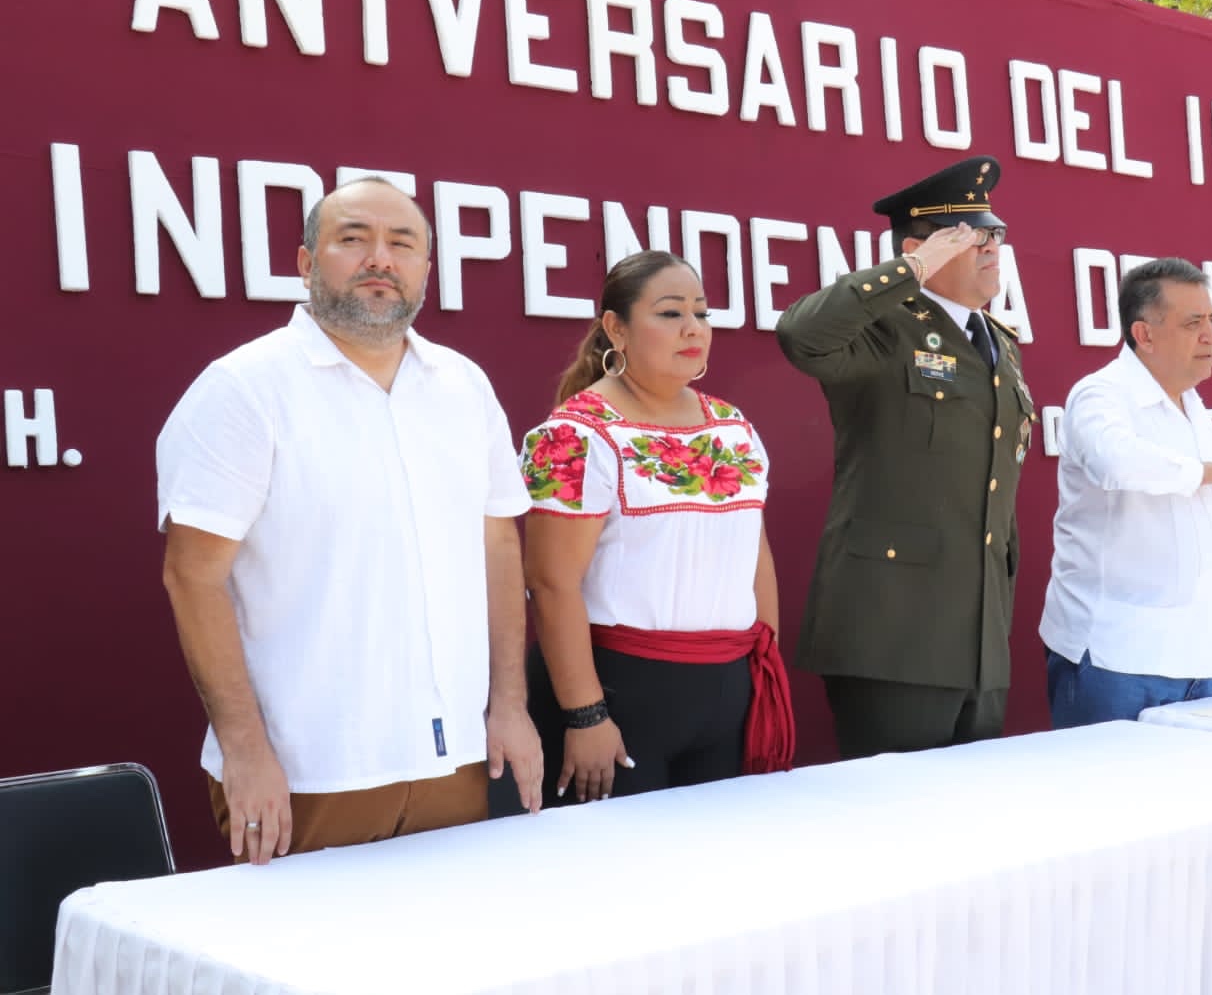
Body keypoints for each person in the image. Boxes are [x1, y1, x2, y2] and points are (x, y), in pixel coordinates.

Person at [157, 176, 542, 865]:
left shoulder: (463, 386)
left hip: (453, 757)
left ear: (427, 267)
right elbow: (193, 576)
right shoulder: (244, 389)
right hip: (308, 770)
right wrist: (246, 751)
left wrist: (510, 705)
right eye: (352, 240)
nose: (380, 259)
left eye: (402, 243)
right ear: (306, 264)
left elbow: (497, 549)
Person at [775, 155, 1032, 759]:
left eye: (994, 234)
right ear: (922, 248)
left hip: (978, 641)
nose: (992, 247)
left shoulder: (999, 344)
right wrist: (910, 270)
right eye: (969, 238)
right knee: (897, 830)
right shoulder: (885, 326)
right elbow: (800, 336)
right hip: (894, 636)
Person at [517, 250, 791, 808]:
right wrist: (586, 714)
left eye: (702, 312)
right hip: (620, 695)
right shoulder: (573, 436)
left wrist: (760, 676)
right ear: (616, 328)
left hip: (727, 692)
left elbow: (752, 553)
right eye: (669, 313)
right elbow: (551, 585)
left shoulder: (733, 427)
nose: (693, 328)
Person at [1039, 257, 1212, 727]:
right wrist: (1197, 473)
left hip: (1194, 657)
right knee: (1108, 797)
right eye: (1193, 324)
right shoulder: (1101, 395)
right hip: (1116, 656)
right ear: (1144, 334)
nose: (1211, 337)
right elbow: (1116, 461)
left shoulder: (1194, 408)